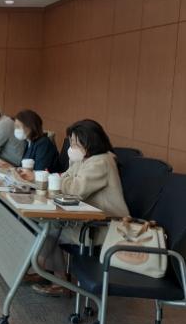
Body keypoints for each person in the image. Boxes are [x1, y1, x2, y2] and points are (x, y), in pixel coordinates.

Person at [32, 119, 130, 297]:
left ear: (90, 142)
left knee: (48, 229)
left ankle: (47, 273)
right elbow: (64, 178)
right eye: (71, 143)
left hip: (103, 227)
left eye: (76, 144)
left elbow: (74, 189)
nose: (72, 148)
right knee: (46, 225)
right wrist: (62, 177)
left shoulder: (102, 161)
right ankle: (49, 274)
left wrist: (60, 179)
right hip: (85, 220)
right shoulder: (84, 158)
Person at [14, 109, 60, 178]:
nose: (16, 129)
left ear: (30, 127)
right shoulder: (29, 142)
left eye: (18, 127)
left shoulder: (44, 144)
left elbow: (40, 172)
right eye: (15, 127)